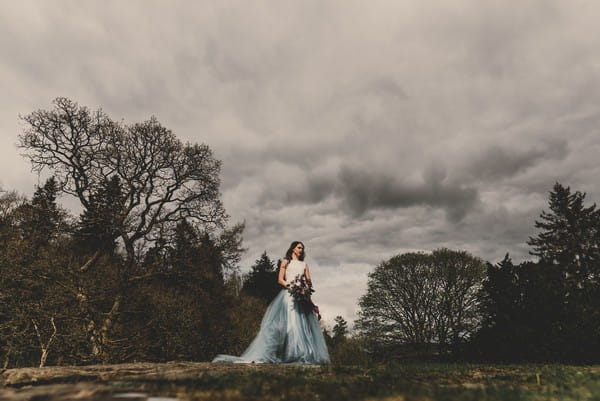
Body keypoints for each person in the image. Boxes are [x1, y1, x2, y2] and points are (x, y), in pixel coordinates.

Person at [213, 241, 330, 364]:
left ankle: (302, 353)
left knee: (303, 325)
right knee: (290, 323)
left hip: (301, 297)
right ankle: (289, 353)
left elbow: (309, 281)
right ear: (293, 249)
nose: (301, 250)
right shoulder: (286, 262)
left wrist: (304, 288)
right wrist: (292, 286)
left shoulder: (304, 265)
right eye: (299, 247)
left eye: (302, 248)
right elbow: (280, 279)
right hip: (289, 295)